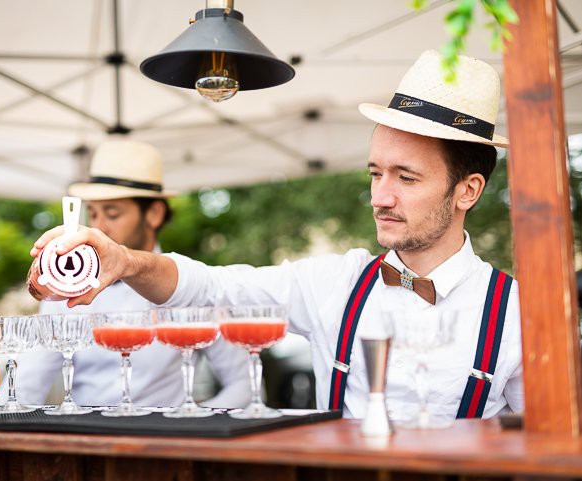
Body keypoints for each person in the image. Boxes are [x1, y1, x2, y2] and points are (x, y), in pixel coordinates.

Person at [31, 50, 523, 421]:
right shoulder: (336, 282)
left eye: (406, 178)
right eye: (376, 173)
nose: (380, 197)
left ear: (467, 191)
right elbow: (212, 287)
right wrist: (128, 260)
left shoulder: (521, 313)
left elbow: (548, 448)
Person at [3, 140, 251, 409]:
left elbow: (244, 384)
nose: (98, 227)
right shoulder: (66, 287)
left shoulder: (191, 287)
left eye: (112, 213)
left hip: (164, 440)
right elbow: (26, 384)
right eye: (94, 213)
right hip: (87, 439)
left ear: (154, 213)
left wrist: (192, 429)